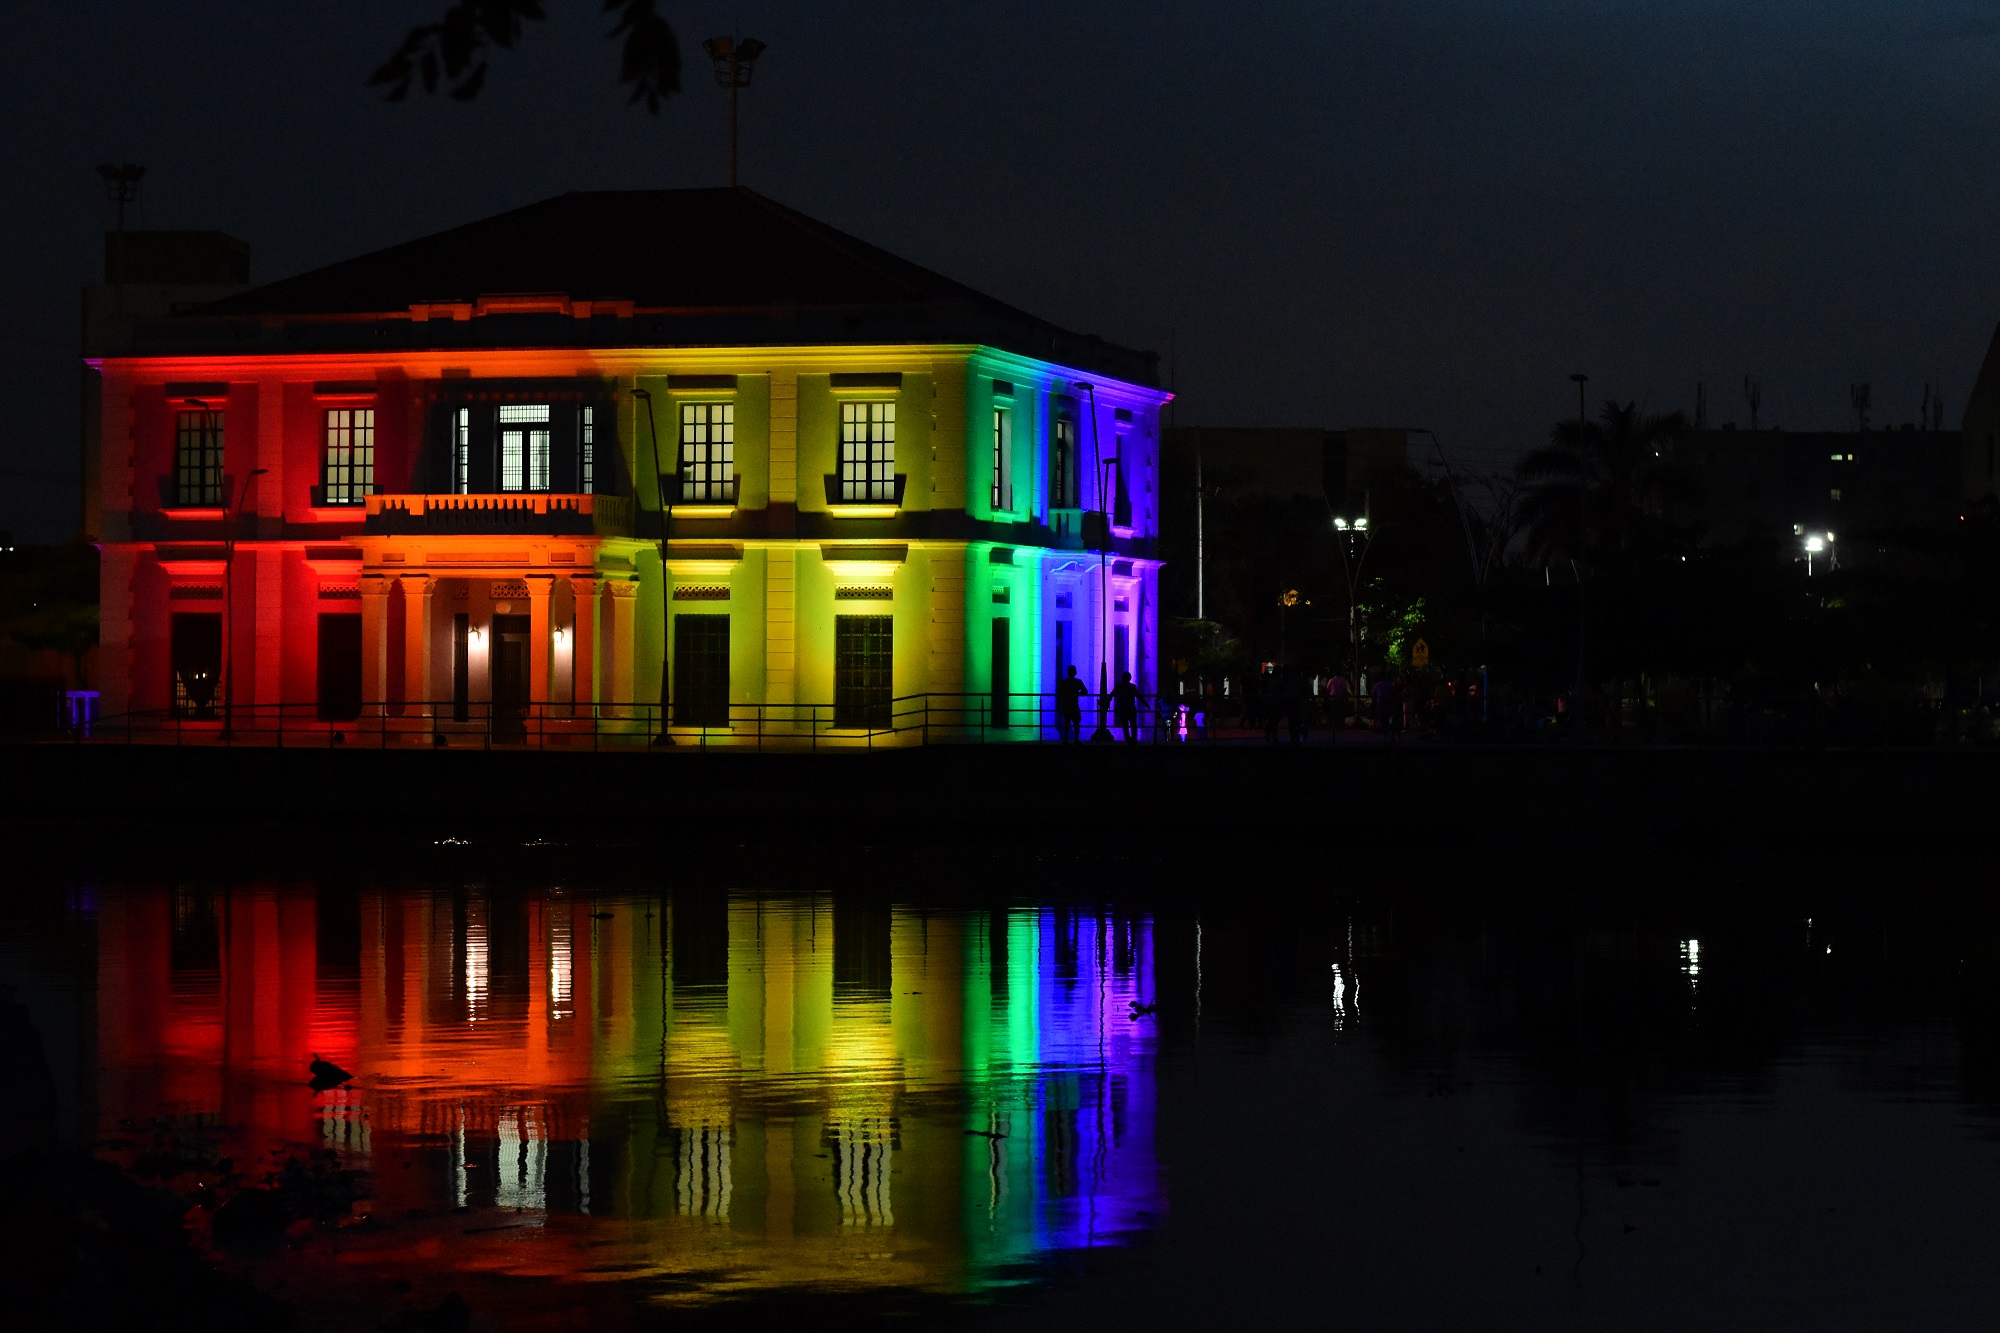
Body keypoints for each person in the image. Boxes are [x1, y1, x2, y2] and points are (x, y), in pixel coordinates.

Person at [1056, 664, 1085, 744]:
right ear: (1075, 672)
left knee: (1066, 722)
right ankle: (1076, 740)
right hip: (1074, 705)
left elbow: (1058, 693)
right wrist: (1078, 693)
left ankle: (1065, 740)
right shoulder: (1078, 682)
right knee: (1076, 723)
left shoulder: (1063, 682)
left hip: (1066, 705)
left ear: (1068, 672)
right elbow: (1085, 691)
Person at [1112, 669, 1141, 744]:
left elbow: (1112, 694)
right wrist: (1146, 703)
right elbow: (1138, 695)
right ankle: (1134, 738)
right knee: (1133, 724)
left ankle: (1127, 739)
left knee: (1124, 725)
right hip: (1131, 707)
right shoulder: (1132, 687)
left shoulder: (1119, 686)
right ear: (1129, 678)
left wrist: (1107, 701)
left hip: (1122, 708)